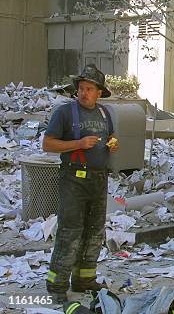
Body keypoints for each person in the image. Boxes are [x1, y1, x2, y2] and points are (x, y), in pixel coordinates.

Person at [43, 64, 118, 303]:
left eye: (89, 89)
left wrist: (113, 144)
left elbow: (111, 137)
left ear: (99, 93)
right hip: (74, 179)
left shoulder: (105, 114)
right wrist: (79, 144)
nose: (83, 93)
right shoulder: (64, 113)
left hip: (98, 179)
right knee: (70, 231)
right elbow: (48, 145)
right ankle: (57, 286)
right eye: (81, 88)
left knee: (95, 232)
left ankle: (84, 279)